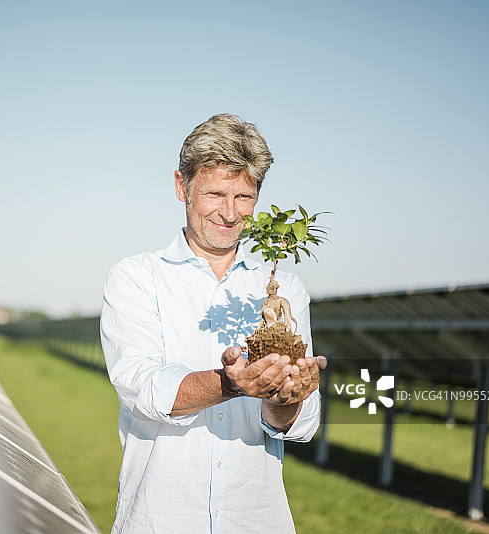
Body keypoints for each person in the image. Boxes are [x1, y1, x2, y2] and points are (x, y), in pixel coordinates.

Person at [100, 113, 326, 533]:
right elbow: (142, 389)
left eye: (243, 196)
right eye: (215, 193)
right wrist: (232, 383)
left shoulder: (283, 290)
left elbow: (299, 424)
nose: (229, 212)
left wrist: (285, 397)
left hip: (256, 521)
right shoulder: (135, 278)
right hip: (161, 520)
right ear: (181, 187)